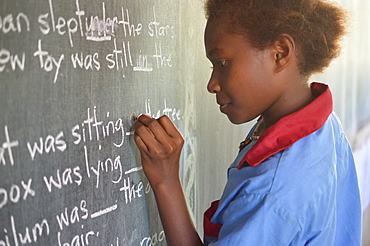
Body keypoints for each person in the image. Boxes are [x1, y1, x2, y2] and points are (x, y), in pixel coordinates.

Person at [133, 0, 362, 245]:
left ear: (279, 54)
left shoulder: (270, 193)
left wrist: (166, 181)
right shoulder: (323, 124)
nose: (212, 84)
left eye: (222, 63)